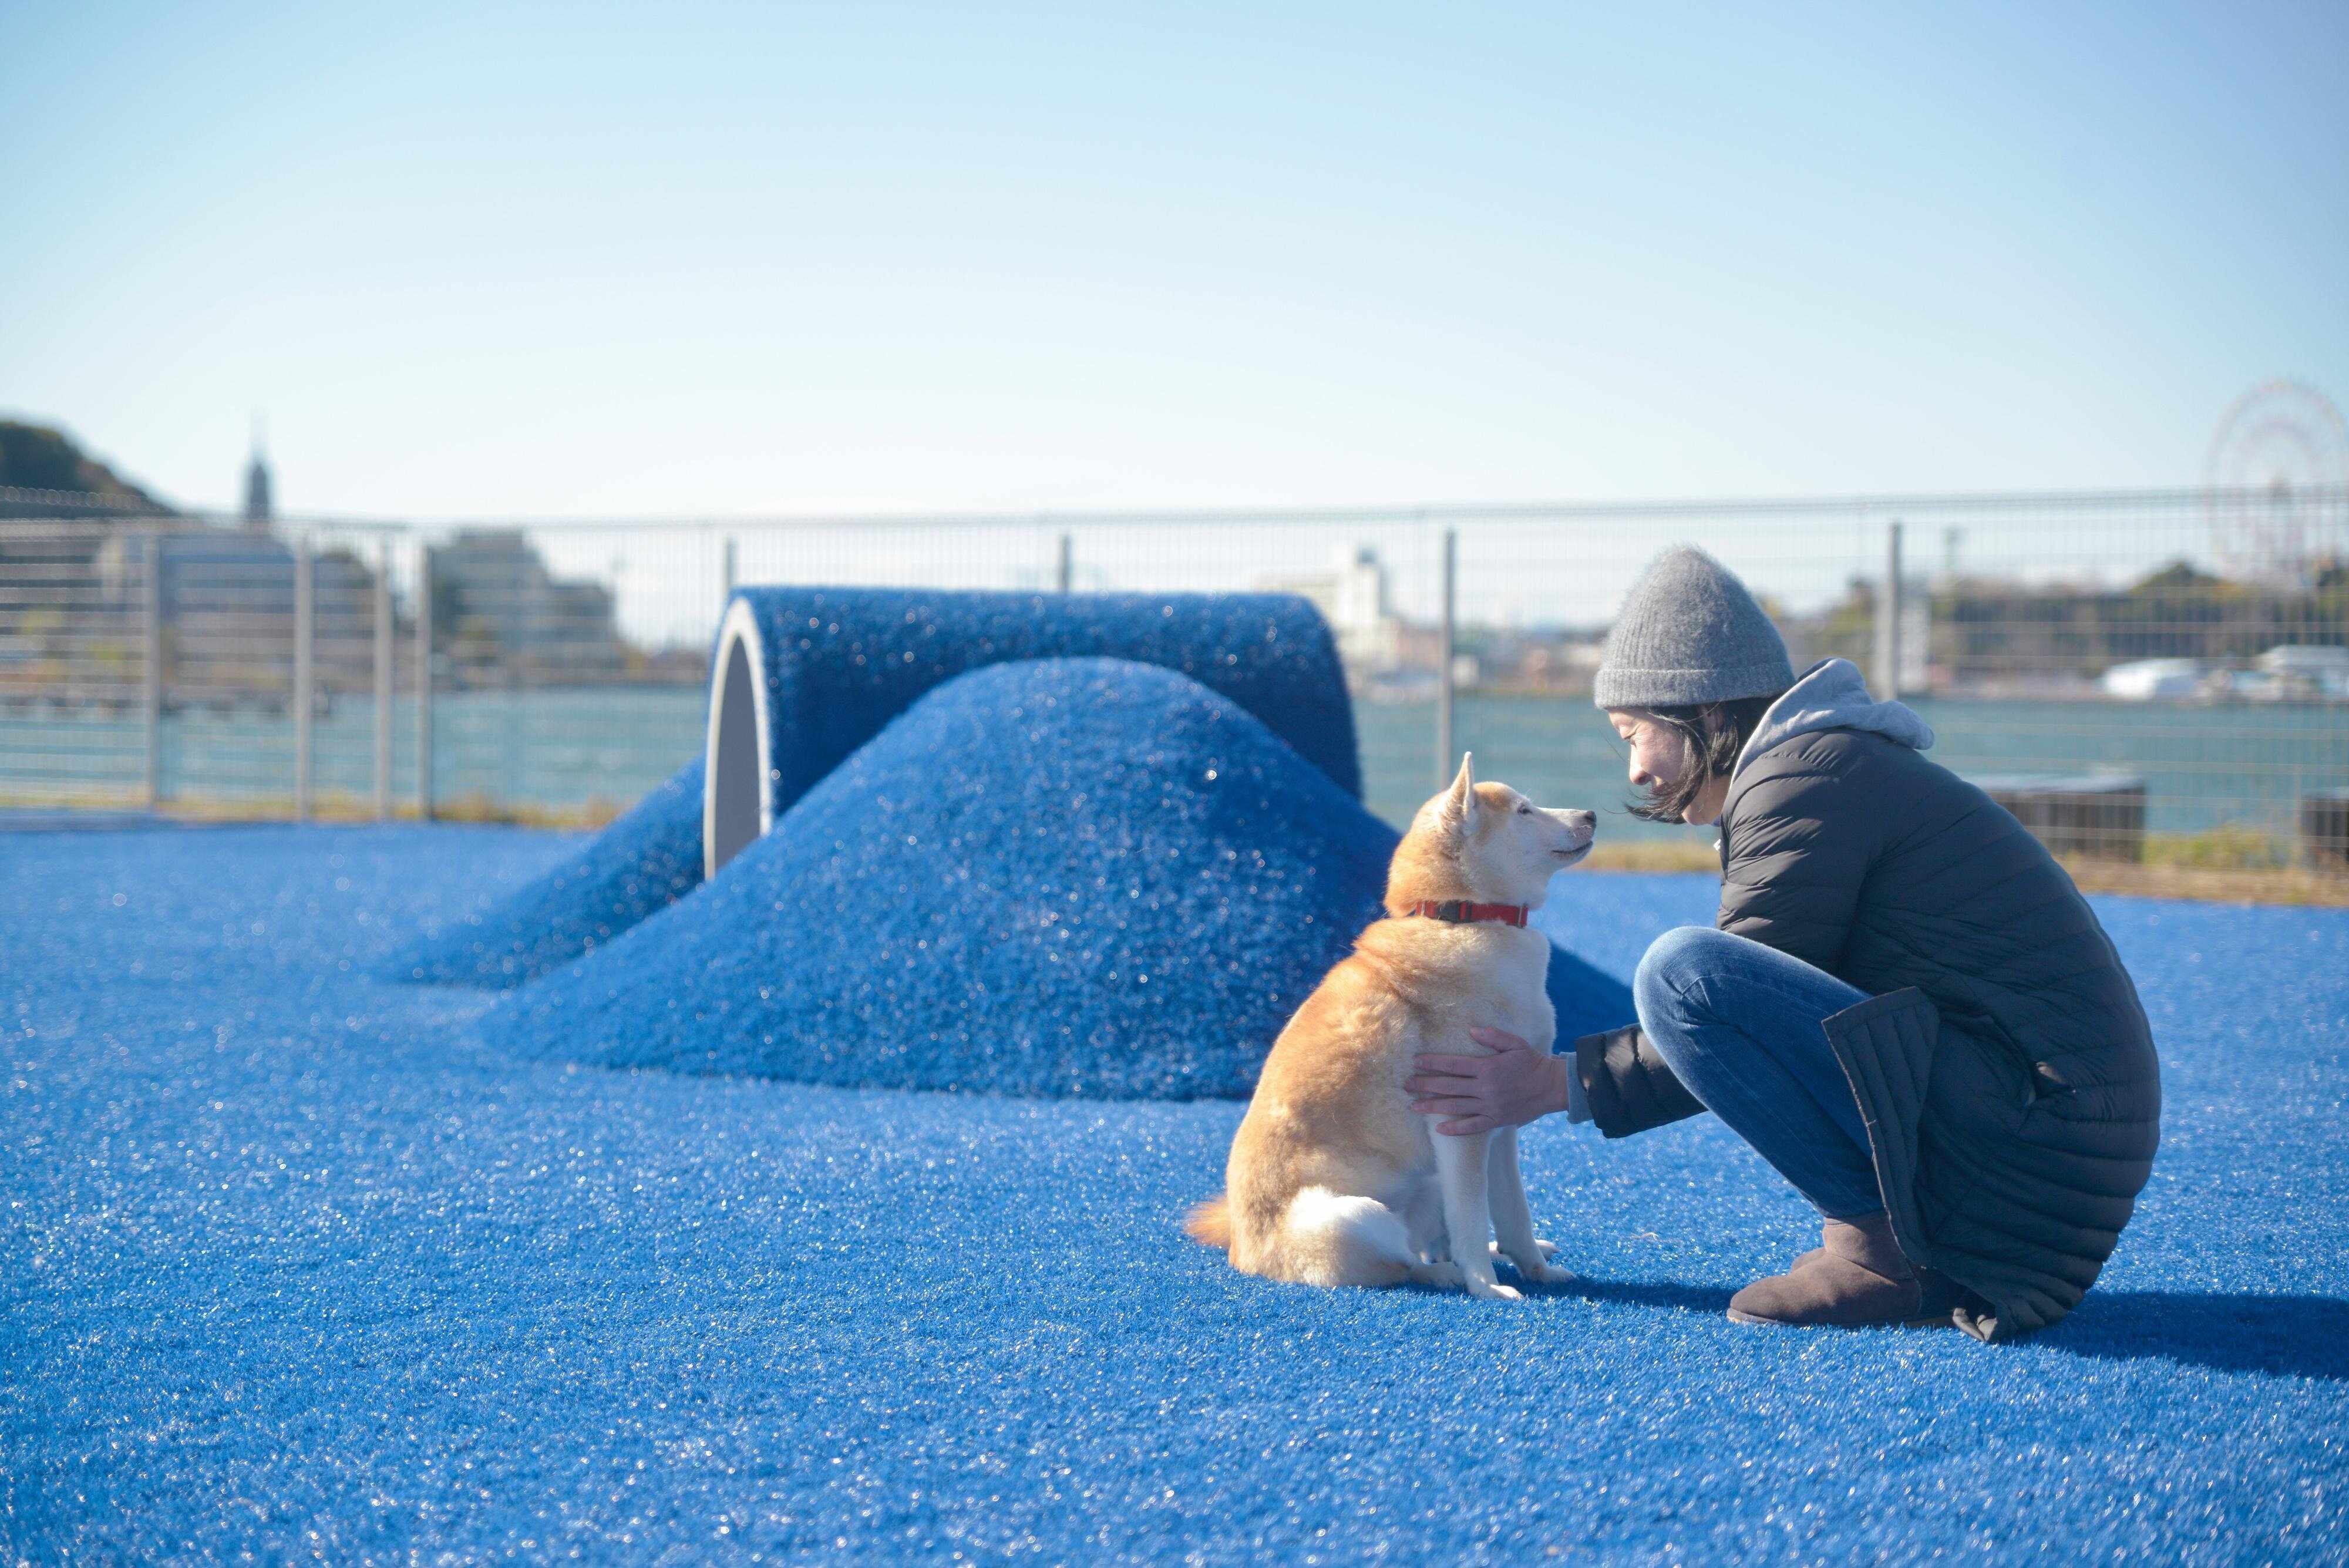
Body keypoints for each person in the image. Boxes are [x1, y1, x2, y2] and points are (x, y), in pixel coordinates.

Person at [1405, 546, 2160, 1341]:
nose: (1634, 771)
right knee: (1696, 979)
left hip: (2037, 1144)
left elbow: (1723, 1006)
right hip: (2052, 1143)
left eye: (1636, 734)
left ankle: (1881, 1255)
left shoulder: (1802, 780)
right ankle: (1896, 1246)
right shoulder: (1824, 767)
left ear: (1702, 710)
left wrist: (1556, 1083)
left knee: (1682, 976)